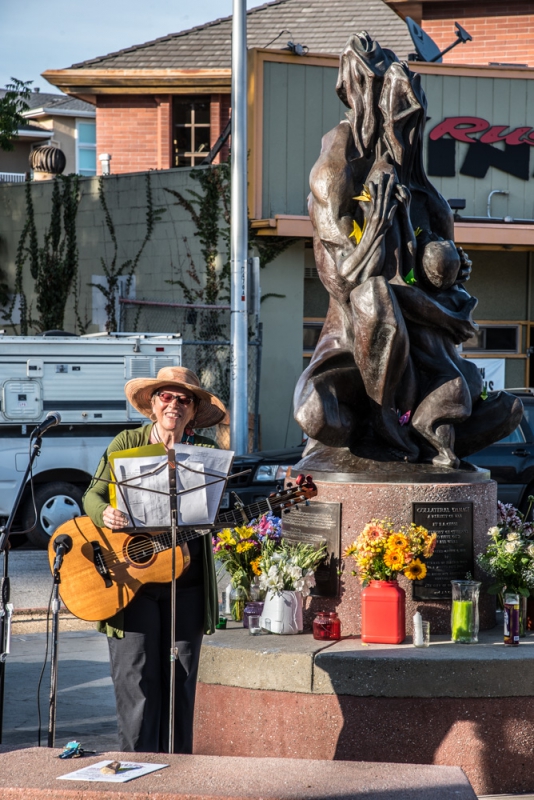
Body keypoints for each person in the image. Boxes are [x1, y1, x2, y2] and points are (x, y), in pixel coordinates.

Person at [83, 366, 226, 754]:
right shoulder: (126, 442)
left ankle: (179, 777)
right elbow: (91, 497)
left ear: (194, 411)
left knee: (180, 682)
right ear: (152, 402)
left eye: (185, 400)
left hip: (189, 584)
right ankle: (137, 775)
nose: (174, 405)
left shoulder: (206, 453)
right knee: (138, 683)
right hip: (135, 584)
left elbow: (218, 511)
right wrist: (105, 515)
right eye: (166, 396)